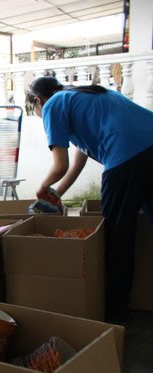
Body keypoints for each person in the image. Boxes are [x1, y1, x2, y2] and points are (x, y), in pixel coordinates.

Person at [27, 76, 153, 324]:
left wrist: (41, 188)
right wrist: (55, 195)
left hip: (126, 155)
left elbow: (59, 166)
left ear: (37, 100)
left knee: (117, 235)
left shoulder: (52, 104)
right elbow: (76, 164)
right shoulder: (82, 97)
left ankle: (117, 311)